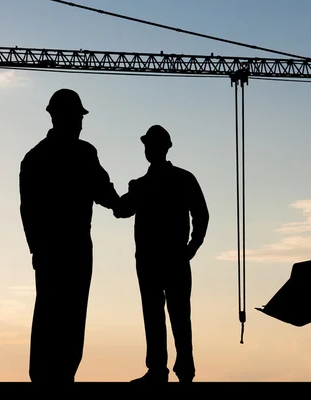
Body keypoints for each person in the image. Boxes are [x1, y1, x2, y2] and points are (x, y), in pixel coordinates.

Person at [19, 88, 120, 382]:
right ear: (63, 118)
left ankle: (45, 376)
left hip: (49, 251)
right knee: (71, 318)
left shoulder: (34, 157)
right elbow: (104, 192)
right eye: (78, 117)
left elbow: (28, 210)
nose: (80, 123)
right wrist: (126, 203)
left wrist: (36, 249)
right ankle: (60, 376)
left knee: (49, 315)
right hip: (73, 248)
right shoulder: (82, 153)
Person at [113, 125, 209, 383]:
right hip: (165, 260)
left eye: (151, 145)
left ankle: (167, 370)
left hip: (157, 260)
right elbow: (201, 214)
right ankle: (173, 370)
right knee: (171, 315)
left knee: (164, 315)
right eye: (147, 145)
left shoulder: (151, 184)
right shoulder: (174, 180)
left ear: (162, 148)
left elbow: (121, 210)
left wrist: (192, 247)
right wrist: (191, 247)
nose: (149, 150)